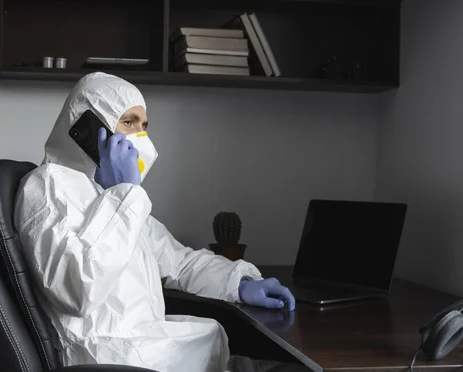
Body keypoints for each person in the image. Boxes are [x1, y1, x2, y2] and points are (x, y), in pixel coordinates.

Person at [15, 72, 304, 372]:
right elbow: (76, 291)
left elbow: (179, 262)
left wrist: (240, 283)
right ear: (89, 128)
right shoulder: (48, 187)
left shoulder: (114, 196)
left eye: (144, 126)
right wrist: (125, 193)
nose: (140, 138)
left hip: (160, 356)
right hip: (113, 362)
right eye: (128, 122)